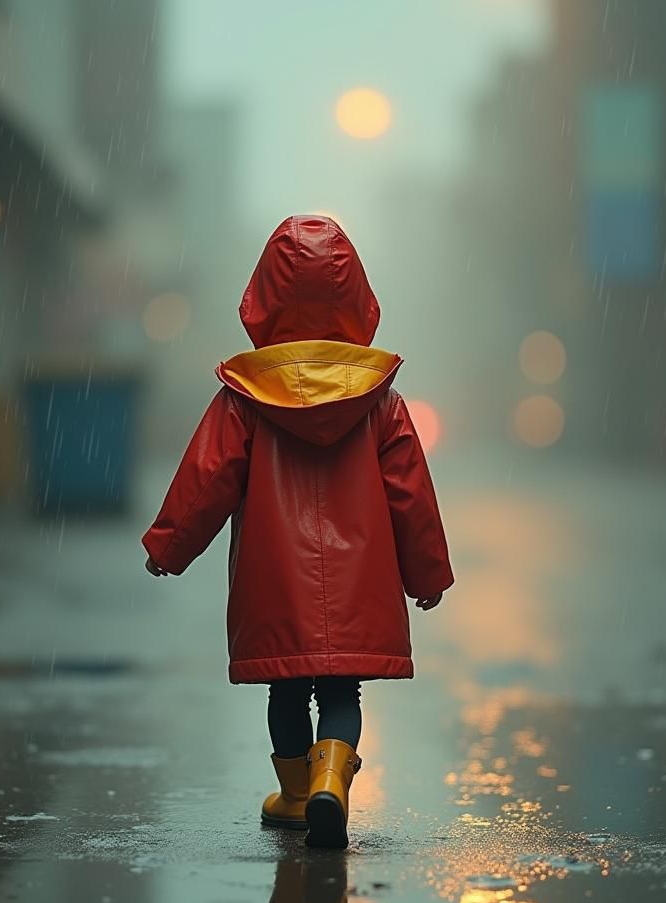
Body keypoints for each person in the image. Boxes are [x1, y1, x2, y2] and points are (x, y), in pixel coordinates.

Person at [142, 215, 454, 850]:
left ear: (264, 296)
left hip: (273, 573)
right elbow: (410, 494)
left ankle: (292, 793)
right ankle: (330, 784)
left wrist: (169, 547)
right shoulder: (381, 401)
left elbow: (207, 480)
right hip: (359, 579)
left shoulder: (244, 397)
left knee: (286, 685)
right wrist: (427, 574)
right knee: (342, 687)